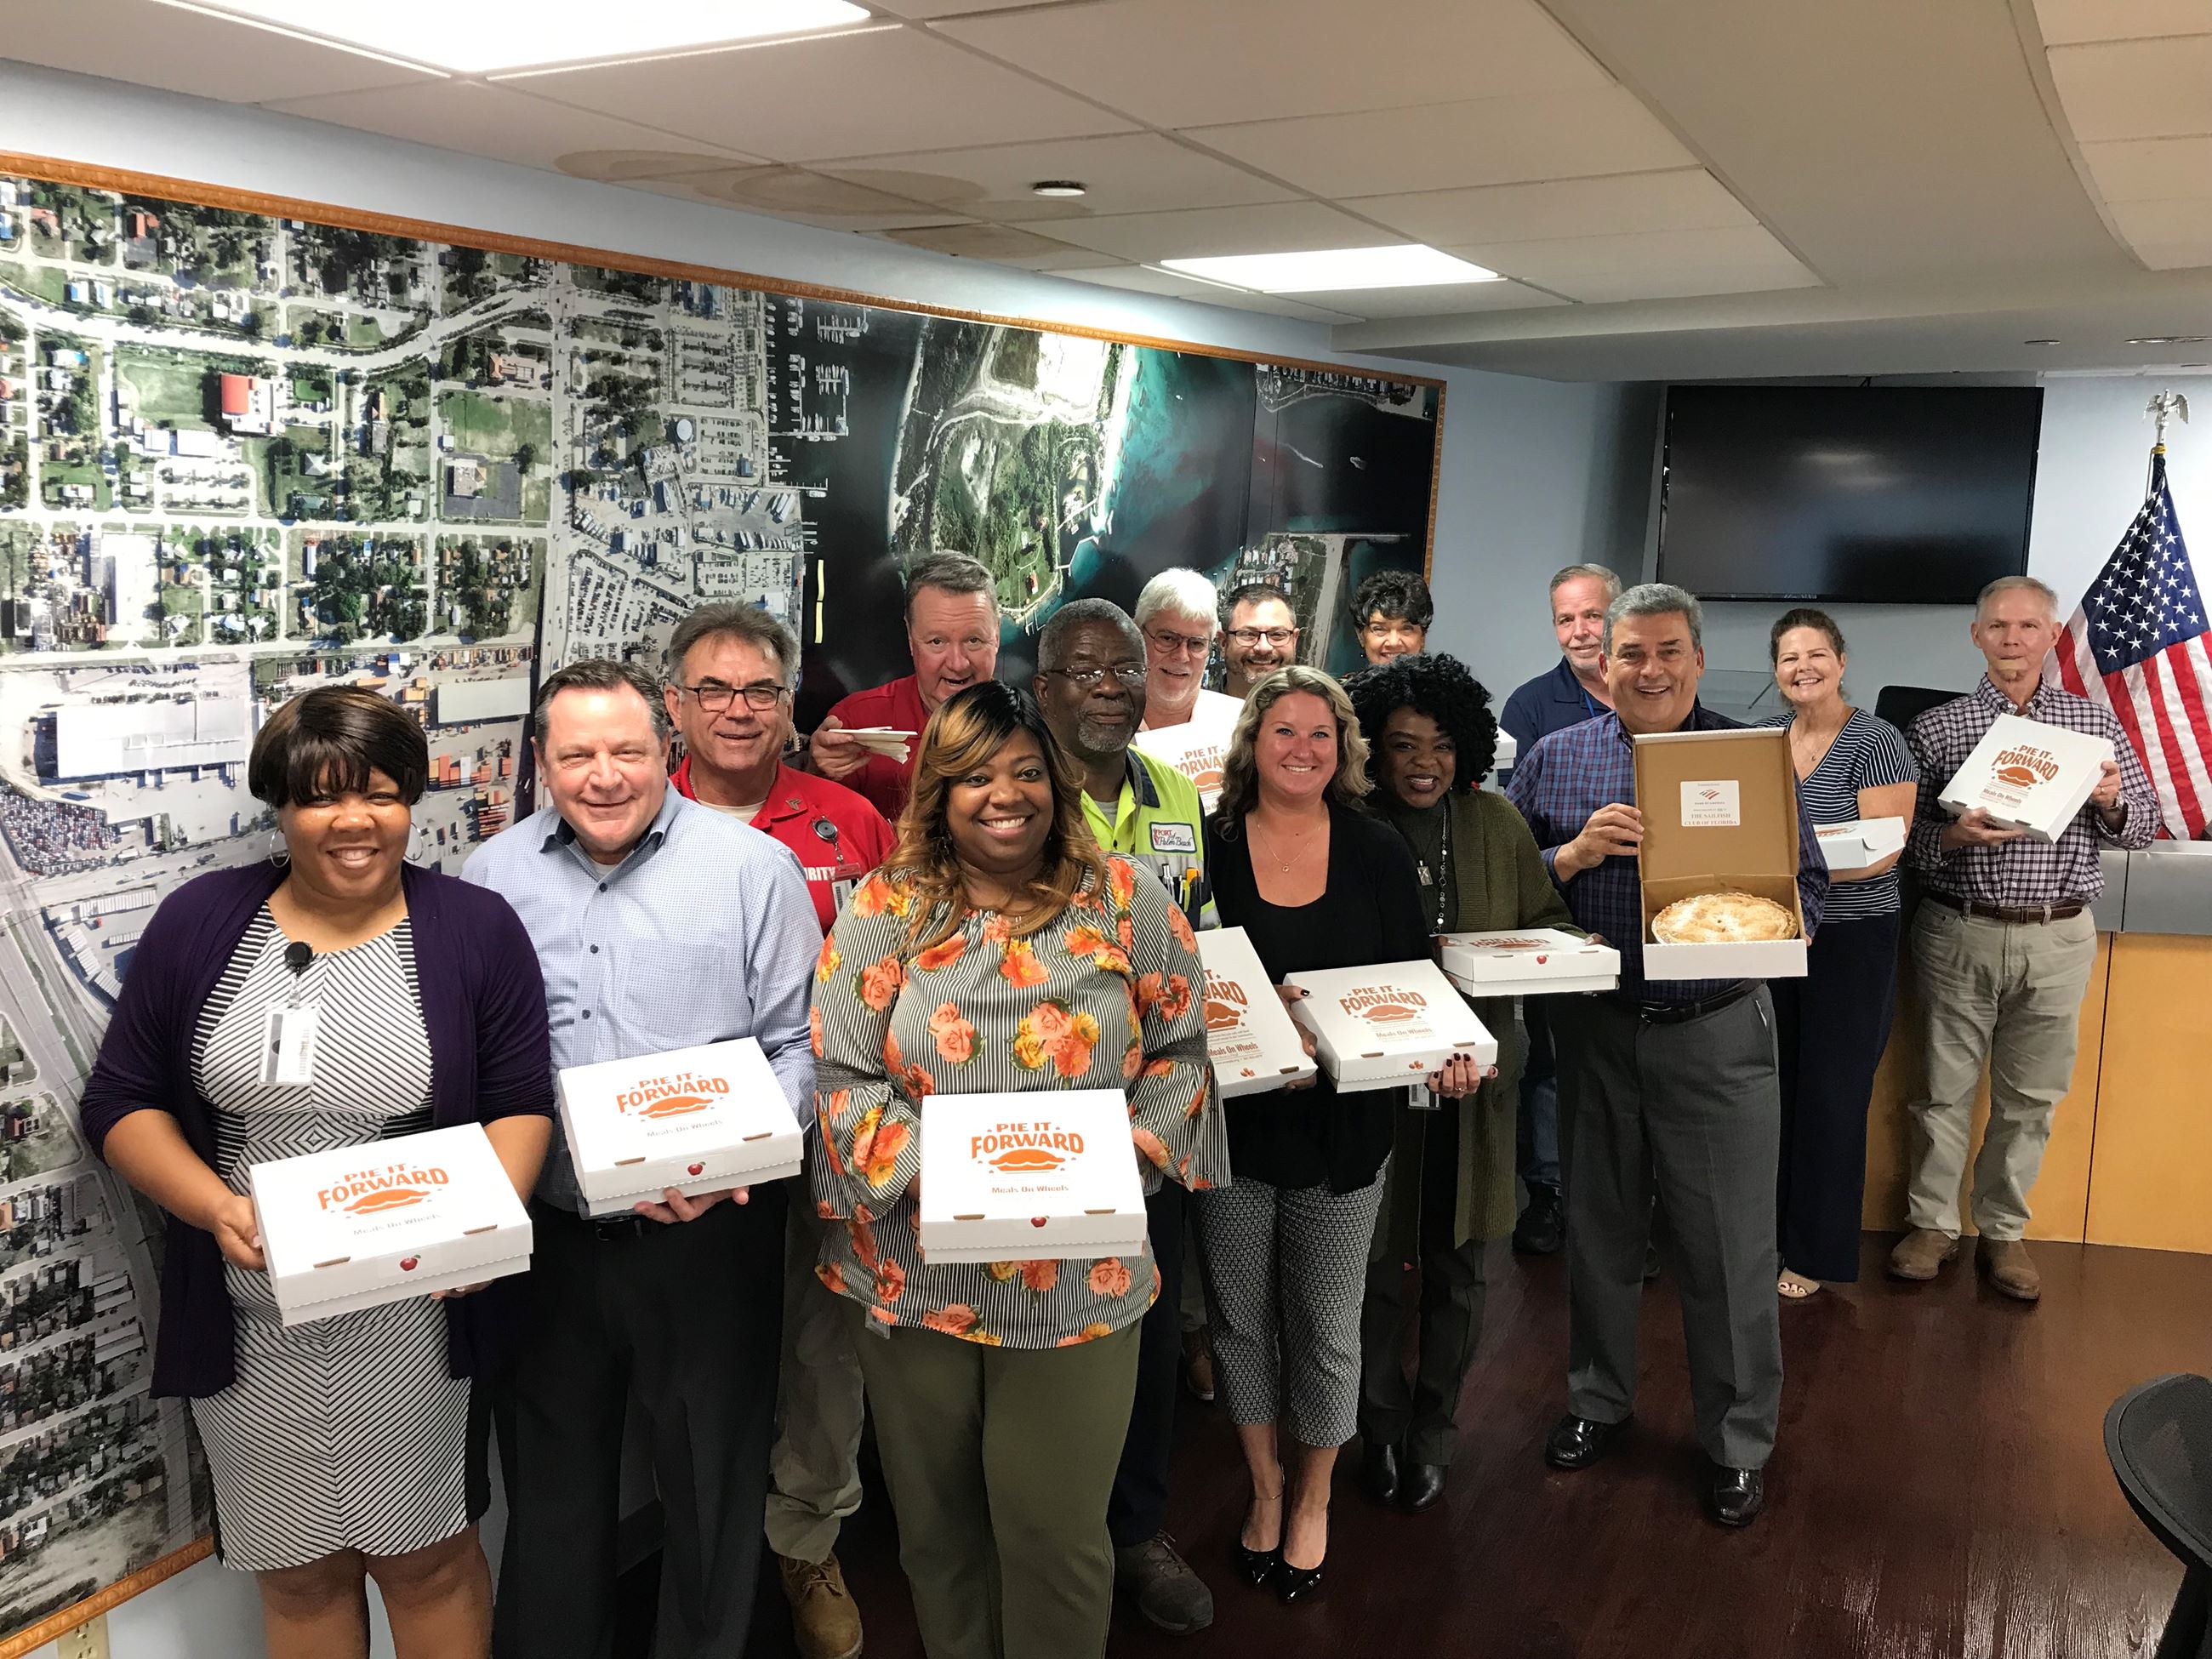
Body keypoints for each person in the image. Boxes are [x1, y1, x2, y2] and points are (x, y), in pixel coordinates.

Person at [78, 687, 554, 1659]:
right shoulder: (203, 921)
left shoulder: (473, 928)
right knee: (296, 1573)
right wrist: (215, 1207)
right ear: (279, 807)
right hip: (252, 1316)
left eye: (378, 794)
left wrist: (484, 1224)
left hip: (414, 1319)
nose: (352, 822)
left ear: (409, 802)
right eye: (319, 799)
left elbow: (518, 1101)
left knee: (427, 1560)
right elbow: (120, 1104)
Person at [810, 682, 1228, 1659]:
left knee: (1053, 1536)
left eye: (1026, 770)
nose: (1006, 794)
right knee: (940, 1534)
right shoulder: (889, 905)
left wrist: (1118, 1154)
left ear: (1057, 780)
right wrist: (945, 1175)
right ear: (938, 792)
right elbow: (838, 1071)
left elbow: (1180, 1053)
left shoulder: (1128, 900)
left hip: (1077, 1277)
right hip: (915, 1277)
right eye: (976, 776)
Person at [463, 660, 820, 1658]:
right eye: (576, 754)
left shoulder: (752, 870)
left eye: (626, 751)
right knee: (552, 1495)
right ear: (541, 762)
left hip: (712, 1234)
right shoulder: (492, 879)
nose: (603, 776)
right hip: (551, 1238)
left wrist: (728, 1158)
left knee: (710, 1489)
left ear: (668, 752)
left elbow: (800, 1045)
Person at [1507, 583, 1828, 1530]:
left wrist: (1744, 898)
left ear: (1696, 660)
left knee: (1728, 1250)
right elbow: (1503, 886)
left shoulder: (1749, 756)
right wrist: (1567, 856)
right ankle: (1596, 1401)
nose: (1649, 670)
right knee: (1598, 1233)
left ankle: (1736, 1443)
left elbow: (1806, 883)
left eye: (1668, 652)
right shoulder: (1554, 760)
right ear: (1602, 662)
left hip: (1717, 1029)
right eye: (1630, 653)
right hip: (1596, 1031)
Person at [1202, 665, 1479, 1603]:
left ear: (1342, 749)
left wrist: (1444, 1053)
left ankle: (1315, 1494)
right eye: (1282, 731)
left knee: (1326, 1326)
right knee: (1241, 1323)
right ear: (1252, 744)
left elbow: (1414, 987)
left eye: (1319, 734)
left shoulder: (1373, 851)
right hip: (1232, 1131)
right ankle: (1264, 1486)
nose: (1301, 750)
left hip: (1345, 1132)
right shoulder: (1207, 850)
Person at [661, 602, 888, 1657]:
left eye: (759, 690)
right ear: (674, 705)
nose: (738, 711)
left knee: (821, 1345)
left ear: (789, 705)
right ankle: (697, 1551)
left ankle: (806, 1541)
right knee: (691, 1353)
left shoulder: (851, 821)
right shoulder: (624, 813)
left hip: (830, 1132)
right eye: (713, 690)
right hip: (678, 1147)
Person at [1344, 653, 1571, 1513]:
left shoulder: (1495, 824)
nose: (1422, 763)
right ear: (1371, 749)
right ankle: (1375, 1428)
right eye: (1401, 746)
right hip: (1372, 1096)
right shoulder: (1348, 826)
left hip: (1474, 1094)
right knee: (1369, 1275)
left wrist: (1514, 983)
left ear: (1466, 747)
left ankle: (1433, 1433)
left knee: (1459, 1274)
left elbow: (1544, 929)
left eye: (1439, 746)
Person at [1891, 575, 2156, 1302]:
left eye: (2028, 627)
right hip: (1956, 927)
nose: (2013, 640)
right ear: (1976, 636)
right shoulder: (1936, 728)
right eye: (1998, 627)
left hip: (2058, 935)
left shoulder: (2093, 729)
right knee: (1940, 1092)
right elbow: (1899, 843)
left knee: (2030, 1097)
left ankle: (2004, 1231)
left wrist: (2109, 801)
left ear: (2050, 638)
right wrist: (1950, 834)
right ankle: (1933, 1225)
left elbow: (2140, 828)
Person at [1032, 598, 1216, 1634]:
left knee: (1146, 1328)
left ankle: (1134, 1529)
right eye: (1085, 671)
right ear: (1045, 687)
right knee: (1038, 1332)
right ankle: (1043, 1532)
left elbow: (1206, 936)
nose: (1110, 689)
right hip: (1028, 1118)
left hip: (1154, 1111)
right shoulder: (1008, 792)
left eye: (1126, 671)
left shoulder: (1179, 794)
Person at [1761, 609, 1918, 1300]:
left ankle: (1815, 1254)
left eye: (1816, 654)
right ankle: (1768, 1234)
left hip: (1852, 940)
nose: (1804, 668)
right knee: (1774, 1091)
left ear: (1842, 661)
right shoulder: (1766, 743)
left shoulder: (1876, 740)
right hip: (1777, 938)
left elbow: (1881, 849)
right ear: (1776, 671)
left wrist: (1791, 864)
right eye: (1790, 658)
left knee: (1831, 1095)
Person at [1497, 563, 1622, 1257]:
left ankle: (1623, 1205)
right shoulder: (1530, 708)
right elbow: (1513, 840)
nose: (1580, 631)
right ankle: (1546, 1192)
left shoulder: (1660, 699)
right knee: (1549, 1064)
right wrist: (1570, 856)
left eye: (1592, 615)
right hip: (1556, 924)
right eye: (1565, 619)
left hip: (1643, 927)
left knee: (1626, 1072)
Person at [811, 553, 1000, 819]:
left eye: (974, 640)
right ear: (911, 641)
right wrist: (815, 773)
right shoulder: (856, 722)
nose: (958, 664)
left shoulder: (1029, 727)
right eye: (937, 642)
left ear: (997, 637)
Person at [1134, 567, 1244, 735]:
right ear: (1137, 634)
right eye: (1168, 639)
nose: (1182, 656)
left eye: (1196, 643)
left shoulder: (1240, 724)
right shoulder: (1100, 720)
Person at [1220, 583, 1301, 699]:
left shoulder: (1318, 715)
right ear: (1223, 643)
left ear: (1294, 640)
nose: (1264, 648)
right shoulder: (1192, 715)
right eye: (1249, 634)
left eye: (1277, 635)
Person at [1352, 569, 1434, 666]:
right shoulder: (1342, 682)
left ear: (1422, 635)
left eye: (1406, 628)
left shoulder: (1446, 681)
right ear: (1361, 636)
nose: (1393, 642)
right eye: (1379, 629)